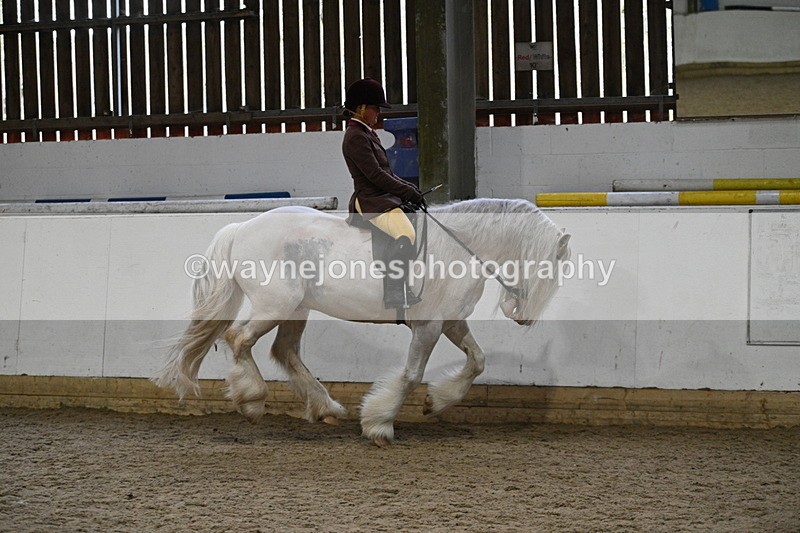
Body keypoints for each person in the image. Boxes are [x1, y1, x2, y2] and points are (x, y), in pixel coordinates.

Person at [342, 77, 424, 309]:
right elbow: (375, 175)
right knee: (405, 234)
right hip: (370, 200)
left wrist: (409, 190)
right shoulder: (355, 136)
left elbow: (386, 172)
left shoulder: (367, 133)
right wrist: (406, 191)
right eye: (376, 108)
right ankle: (395, 293)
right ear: (361, 109)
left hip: (382, 197)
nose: (379, 113)